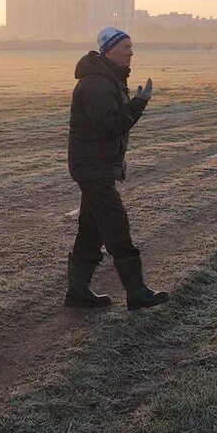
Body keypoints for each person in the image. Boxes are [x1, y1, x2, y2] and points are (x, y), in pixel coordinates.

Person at [65, 27, 167, 311]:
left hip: (96, 165)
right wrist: (138, 104)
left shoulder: (108, 79)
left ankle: (77, 292)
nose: (131, 53)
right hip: (92, 168)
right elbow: (110, 127)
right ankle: (137, 293)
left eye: (132, 47)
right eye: (126, 48)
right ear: (109, 50)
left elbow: (110, 129)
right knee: (116, 226)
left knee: (92, 229)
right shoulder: (96, 83)